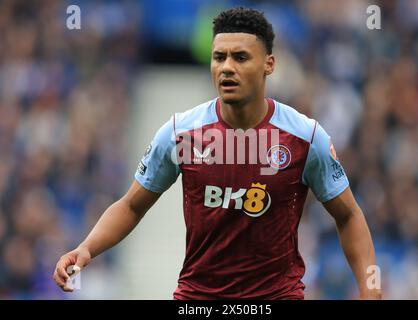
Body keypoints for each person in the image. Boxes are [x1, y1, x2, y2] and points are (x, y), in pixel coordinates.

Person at [53, 7, 381, 300]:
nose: (226, 67)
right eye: (218, 56)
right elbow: (131, 205)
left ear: (269, 64)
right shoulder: (180, 133)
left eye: (240, 58)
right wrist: (86, 249)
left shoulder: (305, 137)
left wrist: (370, 286)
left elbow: (348, 215)